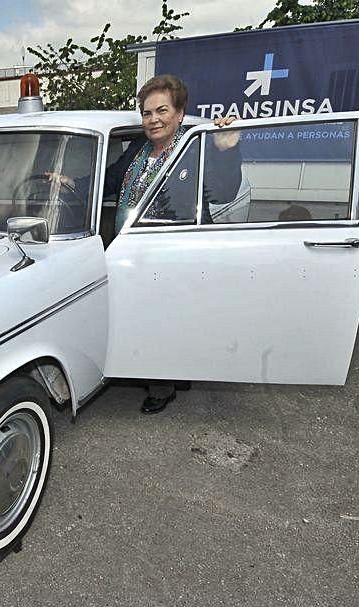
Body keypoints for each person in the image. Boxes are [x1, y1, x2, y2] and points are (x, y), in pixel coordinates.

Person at [52, 74, 243, 413]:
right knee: (145, 316)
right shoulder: (139, 151)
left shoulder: (195, 148)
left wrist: (228, 151)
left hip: (175, 252)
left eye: (162, 110)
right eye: (146, 112)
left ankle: (162, 386)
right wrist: (70, 182)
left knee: (168, 318)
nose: (153, 119)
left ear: (180, 113)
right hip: (133, 250)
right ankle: (172, 371)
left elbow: (224, 190)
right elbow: (108, 179)